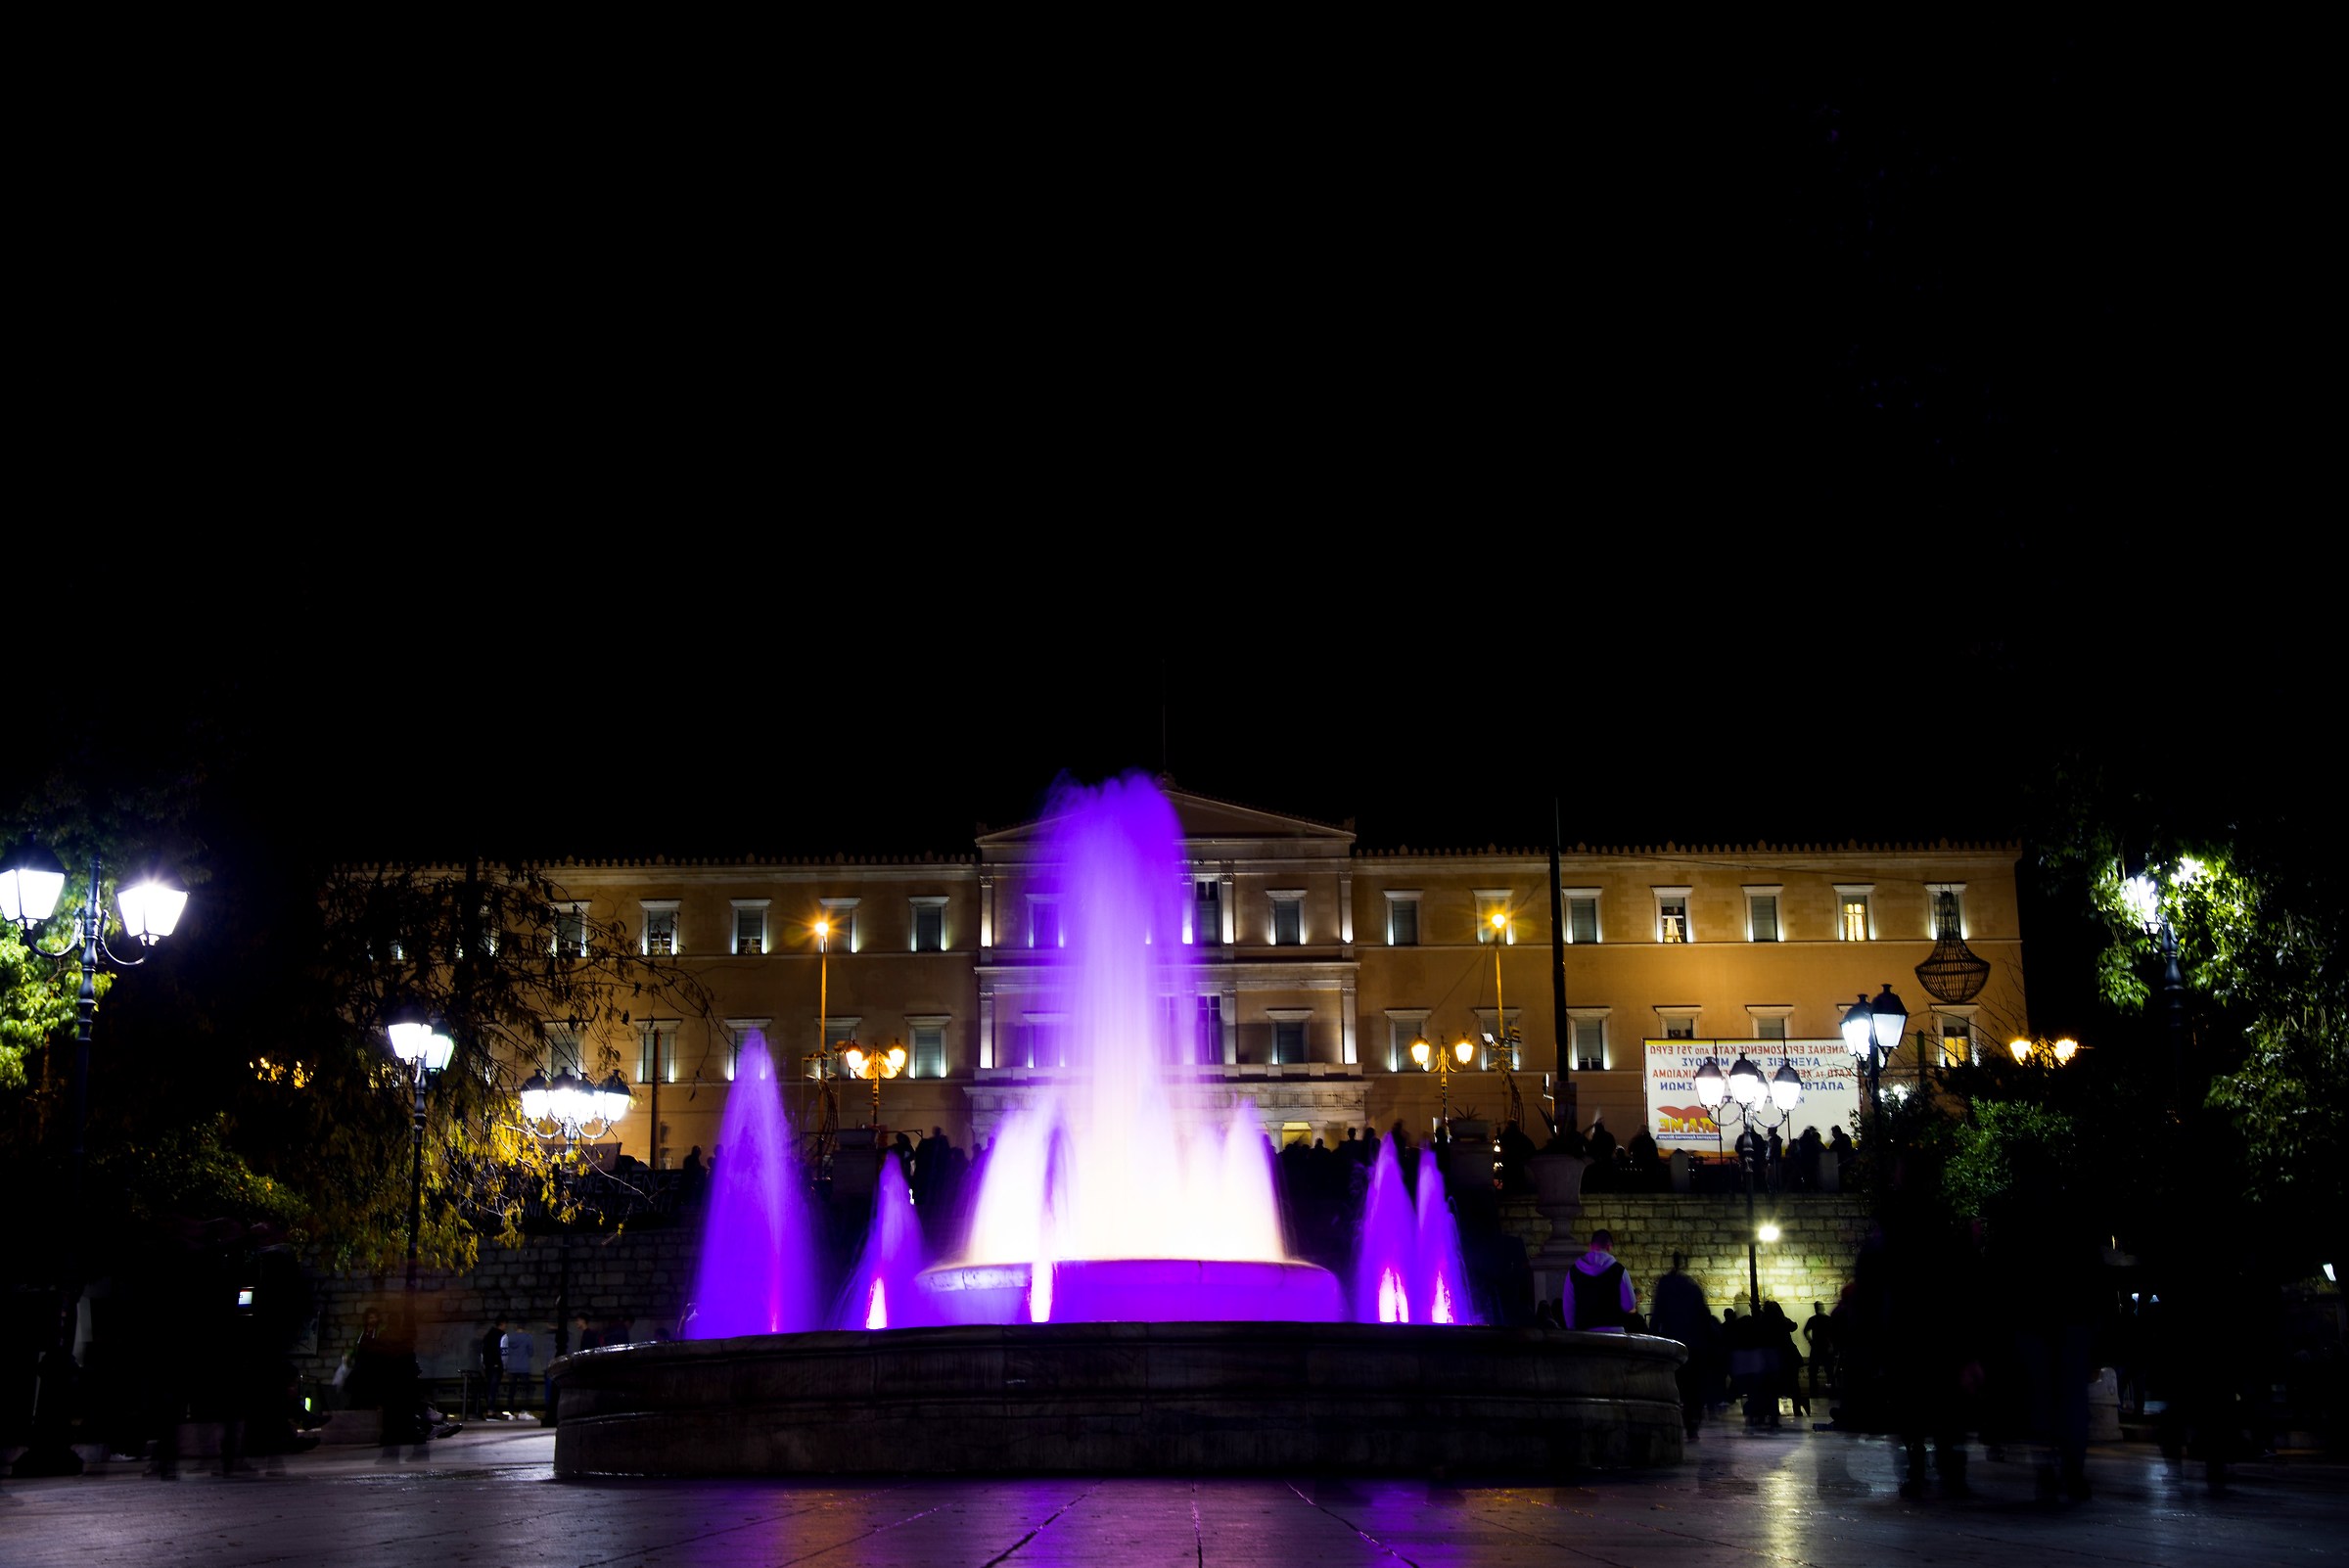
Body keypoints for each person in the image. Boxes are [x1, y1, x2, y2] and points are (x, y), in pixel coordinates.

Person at [1649, 1253, 1718, 1438]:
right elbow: (1704, 1314)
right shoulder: (1692, 1286)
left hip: (1673, 1342)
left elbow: (1657, 1313)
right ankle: (1693, 1420)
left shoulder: (1664, 1285)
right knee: (1694, 1384)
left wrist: (1653, 1336)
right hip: (1694, 1342)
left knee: (1678, 1383)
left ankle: (1681, 1419)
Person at [1563, 1228, 1638, 1333]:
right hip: (1614, 1332)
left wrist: (1572, 1328)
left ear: (1590, 1246)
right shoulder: (1619, 1270)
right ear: (1609, 1247)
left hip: (1585, 1333)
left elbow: (1568, 1306)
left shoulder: (1574, 1271)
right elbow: (1629, 1305)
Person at [1803, 1301, 1835, 1402]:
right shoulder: (1828, 1319)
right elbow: (1833, 1333)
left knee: (1813, 1372)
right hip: (1825, 1348)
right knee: (1829, 1372)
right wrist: (1831, 1345)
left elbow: (1805, 1331)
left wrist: (1811, 1342)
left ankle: (1814, 1393)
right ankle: (1830, 1392)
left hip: (1816, 1348)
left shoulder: (1813, 1319)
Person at [479, 1316, 507, 1417]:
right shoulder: (502, 1336)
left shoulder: (487, 1336)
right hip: (497, 1365)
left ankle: (489, 1410)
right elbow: (504, 1353)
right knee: (493, 1389)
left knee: (489, 1388)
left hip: (488, 1366)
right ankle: (491, 1411)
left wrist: (484, 1365)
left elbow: (482, 1352)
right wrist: (504, 1367)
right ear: (502, 1324)